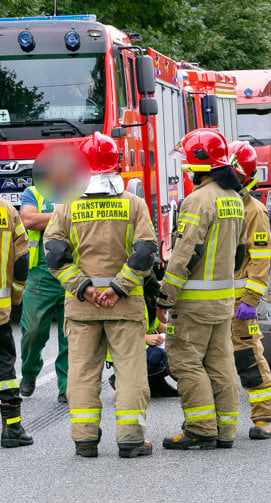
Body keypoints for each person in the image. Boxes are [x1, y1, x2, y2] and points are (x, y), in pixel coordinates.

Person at [45, 132, 157, 458]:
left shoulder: (65, 206)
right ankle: (131, 440)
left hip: (82, 308)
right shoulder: (133, 204)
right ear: (116, 164)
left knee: (81, 374)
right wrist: (117, 287)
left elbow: (54, 255)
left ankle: (85, 440)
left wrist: (85, 288)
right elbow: (146, 253)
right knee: (131, 373)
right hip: (125, 305)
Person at [158, 128, 246, 450]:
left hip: (193, 304)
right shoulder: (234, 199)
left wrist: (164, 297)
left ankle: (200, 429)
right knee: (221, 364)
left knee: (185, 362)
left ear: (199, 164)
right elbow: (239, 254)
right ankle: (225, 431)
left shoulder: (197, 201)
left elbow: (185, 254)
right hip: (222, 302)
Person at [227, 141, 271, 440]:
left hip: (238, 303)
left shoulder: (254, 211)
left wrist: (250, 299)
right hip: (211, 300)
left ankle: (264, 416)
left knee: (247, 358)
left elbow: (260, 260)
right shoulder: (215, 202)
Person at [19, 180, 68, 403]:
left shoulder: (80, 193)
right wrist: (66, 216)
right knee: (33, 331)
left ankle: (67, 386)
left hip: (72, 271)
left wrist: (46, 219)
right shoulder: (34, 193)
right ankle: (29, 372)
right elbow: (28, 219)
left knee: (72, 335)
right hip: (41, 273)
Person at [0, 196, 32, 448]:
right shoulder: (5, 209)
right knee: (4, 370)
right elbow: (22, 259)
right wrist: (16, 296)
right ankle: (12, 428)